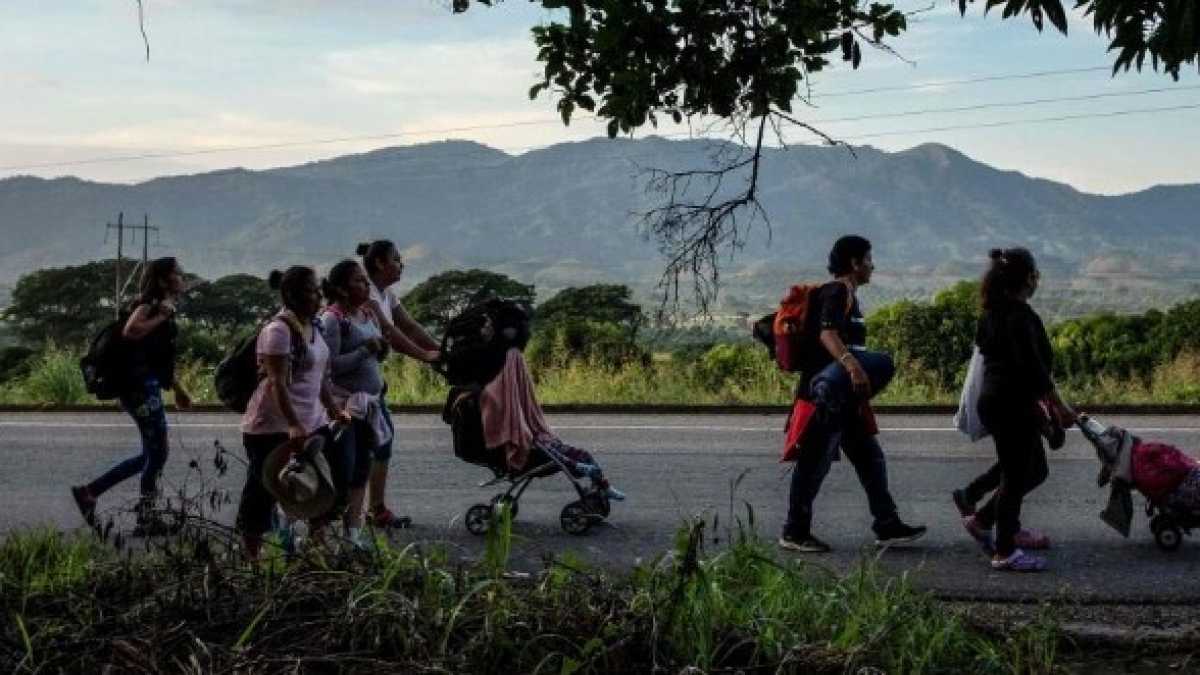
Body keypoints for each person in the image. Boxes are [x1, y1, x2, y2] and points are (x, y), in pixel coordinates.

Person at [779, 235, 927, 553]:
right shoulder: (837, 290)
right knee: (814, 464)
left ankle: (887, 524)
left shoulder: (847, 294)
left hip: (845, 398)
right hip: (825, 398)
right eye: (869, 259)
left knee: (870, 458)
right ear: (855, 263)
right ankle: (794, 531)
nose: (873, 265)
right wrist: (853, 366)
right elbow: (826, 333)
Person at [953, 248, 1074, 572]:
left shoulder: (991, 314)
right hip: (1011, 405)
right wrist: (1059, 409)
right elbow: (1034, 371)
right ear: (1026, 279)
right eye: (1035, 274)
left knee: (1032, 470)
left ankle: (982, 519)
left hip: (999, 402)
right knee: (1016, 477)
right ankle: (1004, 550)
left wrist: (1046, 415)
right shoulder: (1022, 316)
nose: (1038, 279)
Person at [237, 266, 352, 561]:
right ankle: (251, 556)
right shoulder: (278, 330)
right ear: (294, 295)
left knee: (329, 483)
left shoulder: (314, 327)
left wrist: (334, 410)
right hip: (272, 427)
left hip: (313, 422)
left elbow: (318, 379)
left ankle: (315, 549)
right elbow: (276, 382)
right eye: (312, 290)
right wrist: (293, 424)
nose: (318, 295)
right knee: (262, 491)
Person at [71, 257, 193, 536]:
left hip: (143, 386)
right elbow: (131, 331)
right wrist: (162, 315)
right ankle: (140, 516)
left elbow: (155, 357)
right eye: (177, 273)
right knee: (157, 454)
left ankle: (94, 494)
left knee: (152, 455)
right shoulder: (151, 305)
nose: (182, 277)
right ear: (163, 280)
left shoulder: (160, 306)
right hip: (139, 389)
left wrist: (179, 388)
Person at [356, 241, 440, 528]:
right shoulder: (364, 292)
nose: (401, 264)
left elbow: (410, 326)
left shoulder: (386, 293)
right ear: (380, 263)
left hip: (370, 382)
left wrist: (440, 351)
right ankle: (368, 510)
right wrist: (426, 356)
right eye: (396, 259)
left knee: (380, 442)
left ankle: (371, 509)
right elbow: (390, 334)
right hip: (353, 385)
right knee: (377, 442)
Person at [480, 347, 624, 501]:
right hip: (526, 445)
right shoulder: (496, 392)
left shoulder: (512, 389)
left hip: (534, 438)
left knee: (581, 454)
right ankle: (578, 467)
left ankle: (603, 485)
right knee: (555, 454)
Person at [319, 260, 390, 549]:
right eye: (359, 281)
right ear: (342, 289)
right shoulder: (333, 320)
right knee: (342, 472)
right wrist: (364, 351)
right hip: (344, 407)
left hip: (368, 406)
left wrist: (378, 351)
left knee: (362, 470)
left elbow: (377, 354)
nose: (365, 286)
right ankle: (319, 535)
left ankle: (353, 537)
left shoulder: (367, 314)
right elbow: (330, 366)